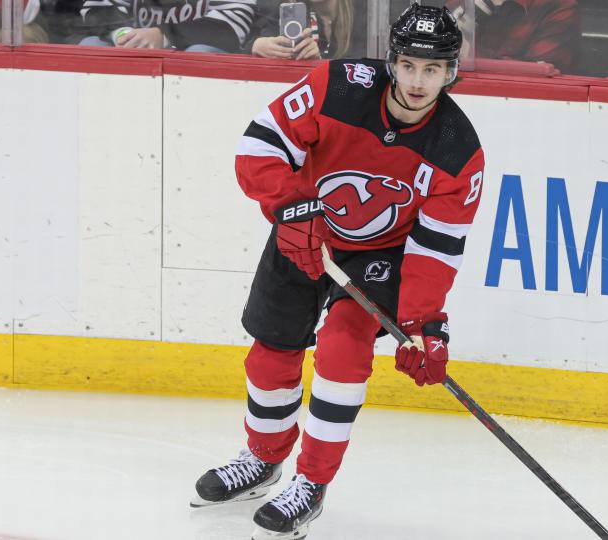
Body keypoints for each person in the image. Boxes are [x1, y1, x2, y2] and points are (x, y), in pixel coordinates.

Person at [190, 3, 485, 538]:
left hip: (380, 256)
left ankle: (311, 482)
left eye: (434, 69)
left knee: (343, 352)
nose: (419, 82)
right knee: (271, 350)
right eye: (410, 65)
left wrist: (422, 325)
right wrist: (290, 207)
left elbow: (436, 248)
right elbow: (259, 145)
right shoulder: (336, 84)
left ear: (451, 72)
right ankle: (262, 458)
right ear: (392, 61)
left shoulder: (458, 152)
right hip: (305, 227)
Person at [447, 0, 580, 74]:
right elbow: (435, 56)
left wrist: (469, 56)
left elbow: (540, 76)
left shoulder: (558, 5)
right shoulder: (465, 2)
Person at [76, 0, 256, 53]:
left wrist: (164, 36)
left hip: (185, 55)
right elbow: (96, 8)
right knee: (91, 45)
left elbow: (230, 27)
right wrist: (125, 35)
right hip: (136, 56)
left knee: (200, 52)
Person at [247, 0, 366, 60]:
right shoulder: (289, 11)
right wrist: (256, 46)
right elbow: (260, 41)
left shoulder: (365, 12)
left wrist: (319, 63)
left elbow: (364, 63)